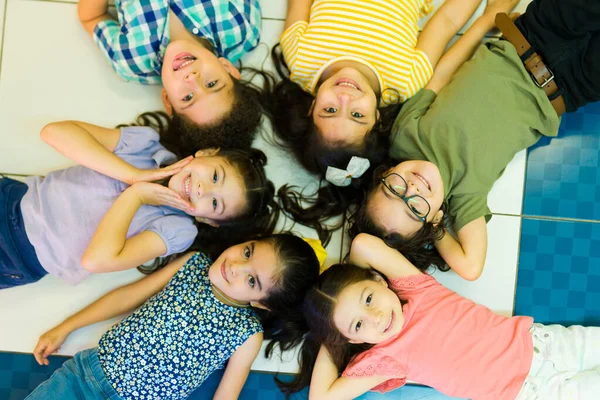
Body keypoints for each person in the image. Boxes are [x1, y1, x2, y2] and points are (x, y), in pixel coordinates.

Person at [353, 0, 600, 280]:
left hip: (532, 35)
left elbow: (442, 74)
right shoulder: (463, 197)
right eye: (414, 208)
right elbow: (471, 268)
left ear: (383, 174)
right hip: (571, 86)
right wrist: (437, 229)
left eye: (394, 190)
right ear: (431, 218)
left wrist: (485, 23)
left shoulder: (405, 136)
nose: (413, 189)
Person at [269, 0, 516, 245]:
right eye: (357, 115)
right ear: (377, 117)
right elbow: (446, 22)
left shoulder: (299, 58)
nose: (345, 98)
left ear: (311, 107)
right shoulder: (405, 81)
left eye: (330, 109)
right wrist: (488, 18)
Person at [286, 234, 600, 400]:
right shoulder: (384, 360)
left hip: (546, 345)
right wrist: (332, 336)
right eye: (358, 324)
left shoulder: (417, 289)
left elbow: (364, 245)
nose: (377, 316)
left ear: (379, 279)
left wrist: (344, 288)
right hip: (532, 394)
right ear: (354, 339)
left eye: (368, 299)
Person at [27, 234, 321, 399]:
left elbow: (227, 394)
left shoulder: (248, 333)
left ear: (263, 305)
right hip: (84, 378)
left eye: (252, 281)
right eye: (247, 253)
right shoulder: (193, 264)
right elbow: (129, 296)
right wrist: (66, 327)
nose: (235, 267)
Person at [0, 118, 276, 289]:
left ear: (208, 221)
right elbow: (53, 133)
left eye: (215, 203)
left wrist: (136, 195)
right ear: (205, 153)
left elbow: (96, 261)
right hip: (12, 200)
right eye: (215, 175)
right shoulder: (145, 146)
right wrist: (132, 175)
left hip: (21, 257)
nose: (204, 189)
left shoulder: (177, 229)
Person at [77, 0, 270, 150]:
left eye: (187, 97)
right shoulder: (242, 29)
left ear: (168, 100)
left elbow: (91, 17)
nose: (192, 79)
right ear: (228, 69)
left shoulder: (132, 61)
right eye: (211, 84)